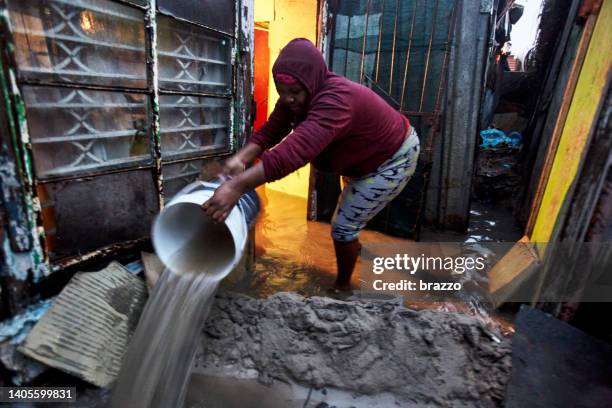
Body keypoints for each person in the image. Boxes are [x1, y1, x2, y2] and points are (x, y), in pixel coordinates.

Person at [202, 38, 420, 292]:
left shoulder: (336, 100)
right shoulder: (293, 97)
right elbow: (272, 131)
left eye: (295, 92)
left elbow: (295, 152)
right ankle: (352, 248)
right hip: (360, 159)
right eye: (281, 91)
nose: (288, 99)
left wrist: (236, 187)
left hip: (391, 159)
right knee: (349, 221)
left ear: (313, 82)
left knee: (342, 227)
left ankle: (343, 286)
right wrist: (240, 159)